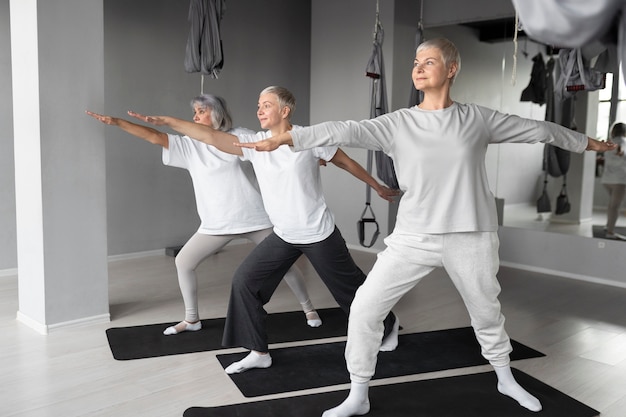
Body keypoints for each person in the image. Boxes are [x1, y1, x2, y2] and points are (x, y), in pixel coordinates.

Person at [236, 39, 617, 416]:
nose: (418, 67)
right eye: (415, 61)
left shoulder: (478, 119)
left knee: (486, 313)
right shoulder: (397, 124)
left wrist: (587, 143)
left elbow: (538, 129)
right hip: (413, 237)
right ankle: (358, 392)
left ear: (451, 69)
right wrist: (291, 137)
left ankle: (505, 377)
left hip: (471, 234)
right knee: (365, 309)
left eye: (429, 61)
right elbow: (345, 129)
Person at [128, 85, 401, 374]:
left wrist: (378, 187)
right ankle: (258, 351)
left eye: (266, 105)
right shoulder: (253, 143)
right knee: (244, 283)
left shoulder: (308, 138)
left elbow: (345, 162)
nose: (259, 110)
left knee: (350, 291)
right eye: (258, 105)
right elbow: (209, 135)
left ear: (285, 110)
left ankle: (389, 325)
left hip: (318, 233)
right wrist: (169, 122)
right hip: (284, 234)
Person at [86, 93, 323, 336]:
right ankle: (191, 320)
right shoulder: (189, 145)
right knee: (184, 262)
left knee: (284, 264)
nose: (195, 116)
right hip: (217, 223)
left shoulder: (242, 135)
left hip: (255, 218)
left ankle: (308, 308)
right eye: (195, 112)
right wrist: (117, 123)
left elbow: (273, 149)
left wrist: (308, 158)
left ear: (216, 113)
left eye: (201, 111)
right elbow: (154, 136)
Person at [601, 122, 626, 240]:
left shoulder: (609, 142)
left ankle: (607, 226)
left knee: (611, 205)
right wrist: (621, 153)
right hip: (619, 180)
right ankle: (610, 232)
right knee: (615, 206)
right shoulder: (623, 142)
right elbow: (622, 152)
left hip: (607, 180)